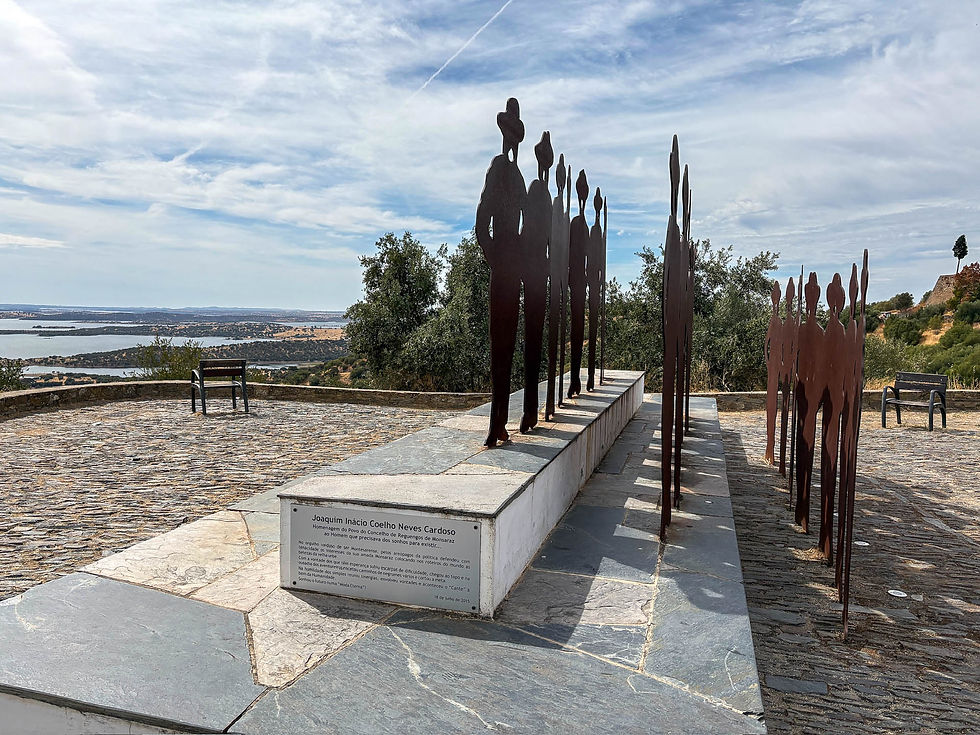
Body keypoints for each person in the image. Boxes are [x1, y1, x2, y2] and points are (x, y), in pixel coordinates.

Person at [476, 98, 526, 447]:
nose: (511, 141)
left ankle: (501, 422)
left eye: (515, 135)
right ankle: (496, 423)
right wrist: (494, 257)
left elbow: (527, 223)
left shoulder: (519, 177)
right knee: (499, 344)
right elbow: (482, 222)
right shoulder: (497, 167)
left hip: (515, 265)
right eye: (508, 134)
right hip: (503, 263)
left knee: (508, 344)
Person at [520, 132, 553, 432]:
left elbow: (529, 231)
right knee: (533, 341)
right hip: (536, 270)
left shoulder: (540, 194)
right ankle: (530, 409)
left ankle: (530, 409)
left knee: (533, 341)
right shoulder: (541, 194)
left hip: (535, 271)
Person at [545, 157, 570, 420]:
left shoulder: (564, 213)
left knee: (557, 334)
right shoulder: (551, 204)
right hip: (549, 276)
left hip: (559, 278)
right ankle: (549, 401)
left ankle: (556, 397)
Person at [567, 170, 589, 398]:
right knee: (574, 328)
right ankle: (574, 377)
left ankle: (575, 377)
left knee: (577, 329)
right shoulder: (575, 224)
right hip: (573, 280)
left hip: (579, 282)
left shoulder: (584, 226)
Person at [586, 188, 604, 391]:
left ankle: (591, 376)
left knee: (593, 329)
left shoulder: (596, 232)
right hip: (588, 282)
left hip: (594, 284)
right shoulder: (589, 229)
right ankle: (588, 377)